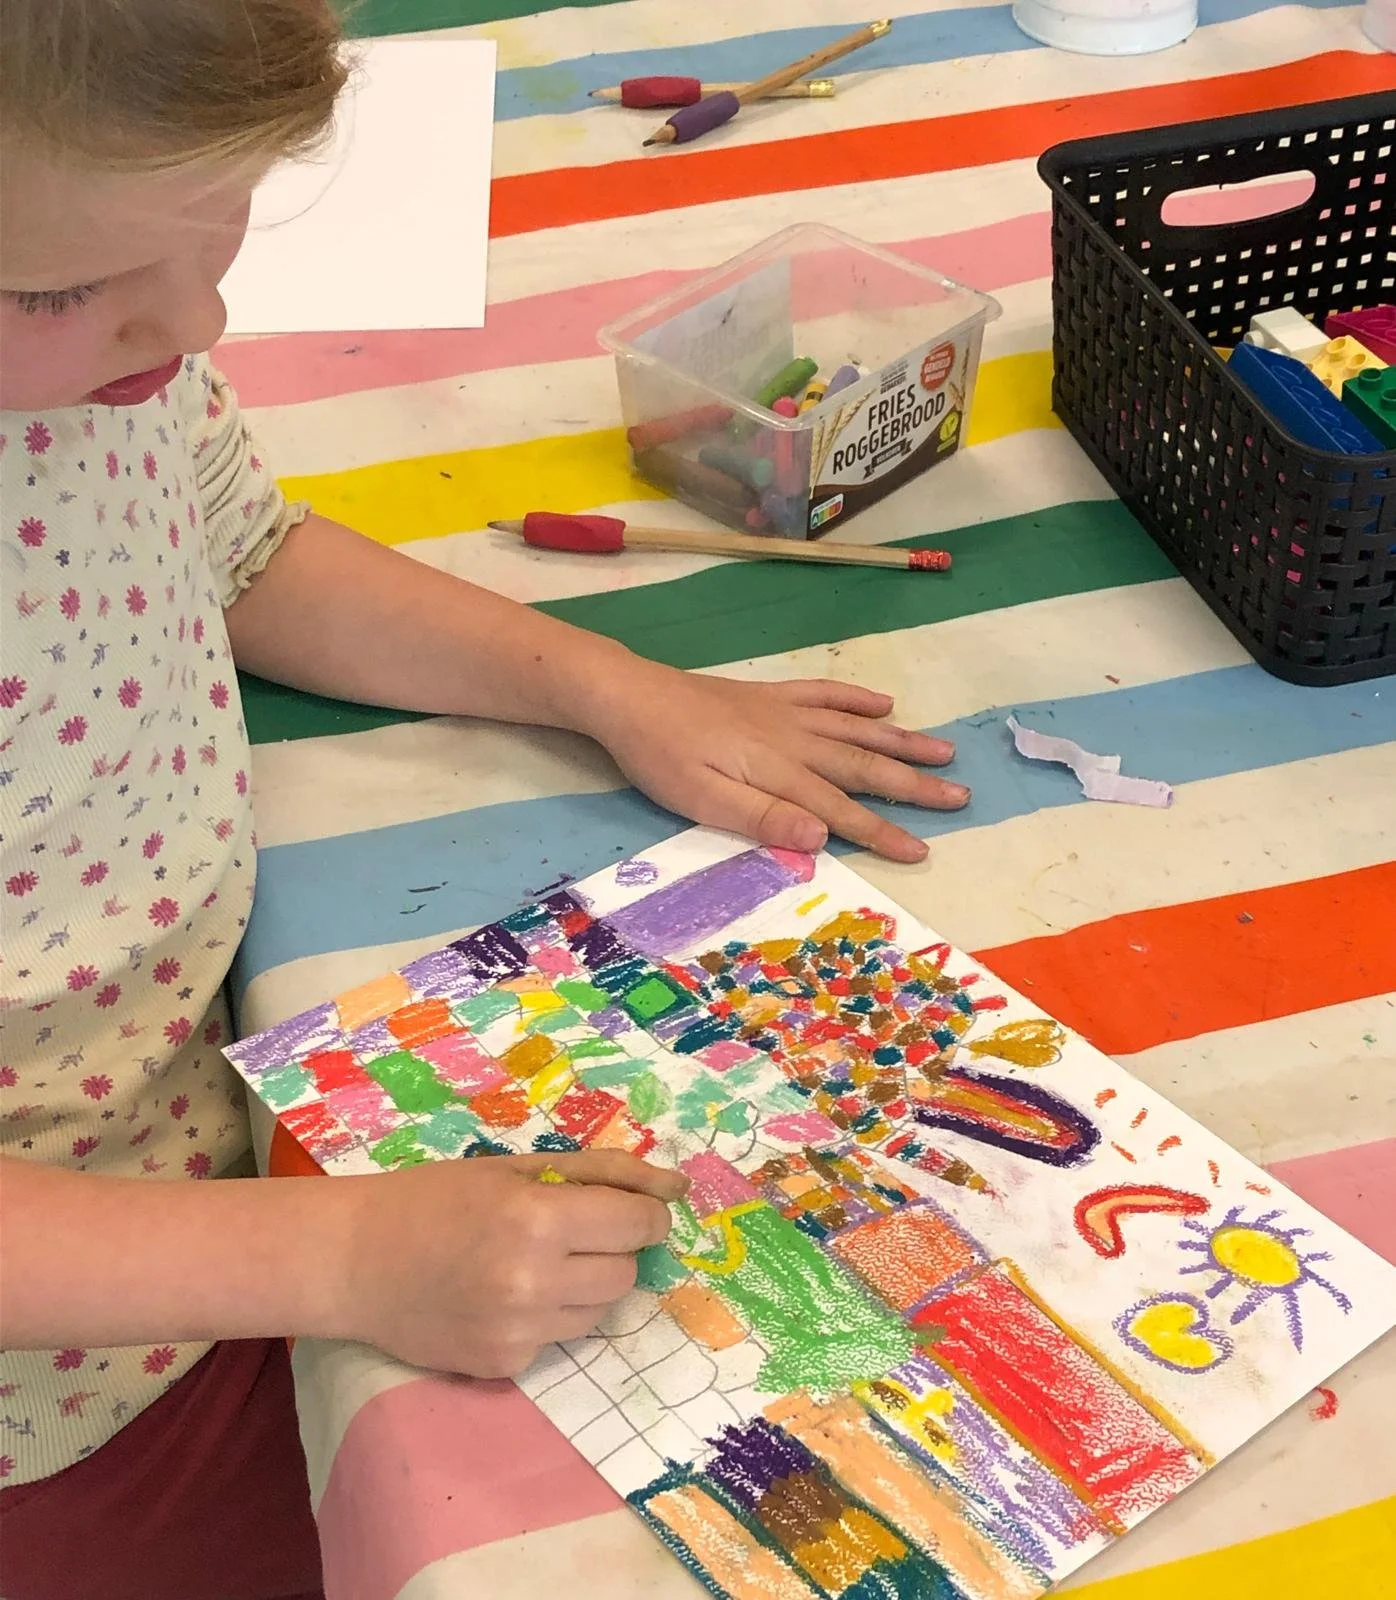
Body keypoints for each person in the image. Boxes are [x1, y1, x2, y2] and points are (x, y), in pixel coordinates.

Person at [0, 3, 969, 1595]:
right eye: (54, 289)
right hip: (75, 1382)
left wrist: (601, 684)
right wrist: (337, 1257)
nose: (201, 316)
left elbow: (236, 549)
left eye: (220, 218)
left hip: (223, 1118)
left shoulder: (112, 351)